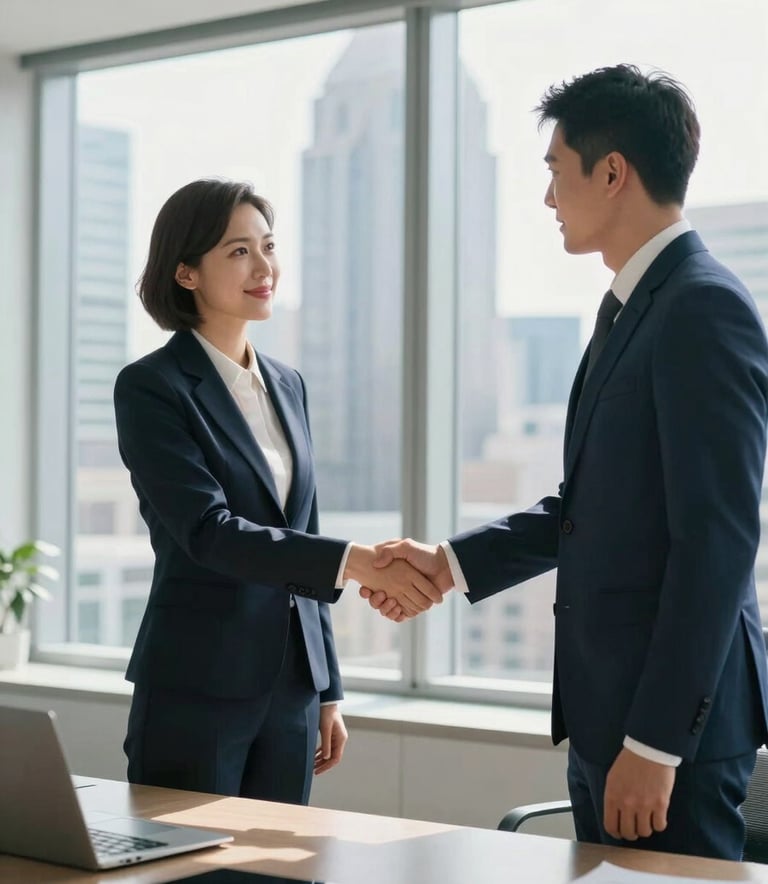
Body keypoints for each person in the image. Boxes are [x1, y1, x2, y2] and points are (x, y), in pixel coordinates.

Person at [363, 64, 768, 859]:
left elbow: (716, 544)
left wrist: (655, 747)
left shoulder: (701, 307)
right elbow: (586, 508)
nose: (548, 198)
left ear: (611, 171)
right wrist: (448, 564)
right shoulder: (626, 309)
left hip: (665, 738)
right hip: (604, 720)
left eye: (555, 170)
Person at [114, 178, 442, 805]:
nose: (264, 268)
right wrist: (357, 562)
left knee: (281, 872)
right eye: (238, 252)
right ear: (186, 273)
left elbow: (302, 533)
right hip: (197, 686)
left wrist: (327, 687)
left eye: (268, 246)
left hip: (291, 689)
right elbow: (207, 531)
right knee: (188, 870)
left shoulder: (287, 385)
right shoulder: (152, 387)